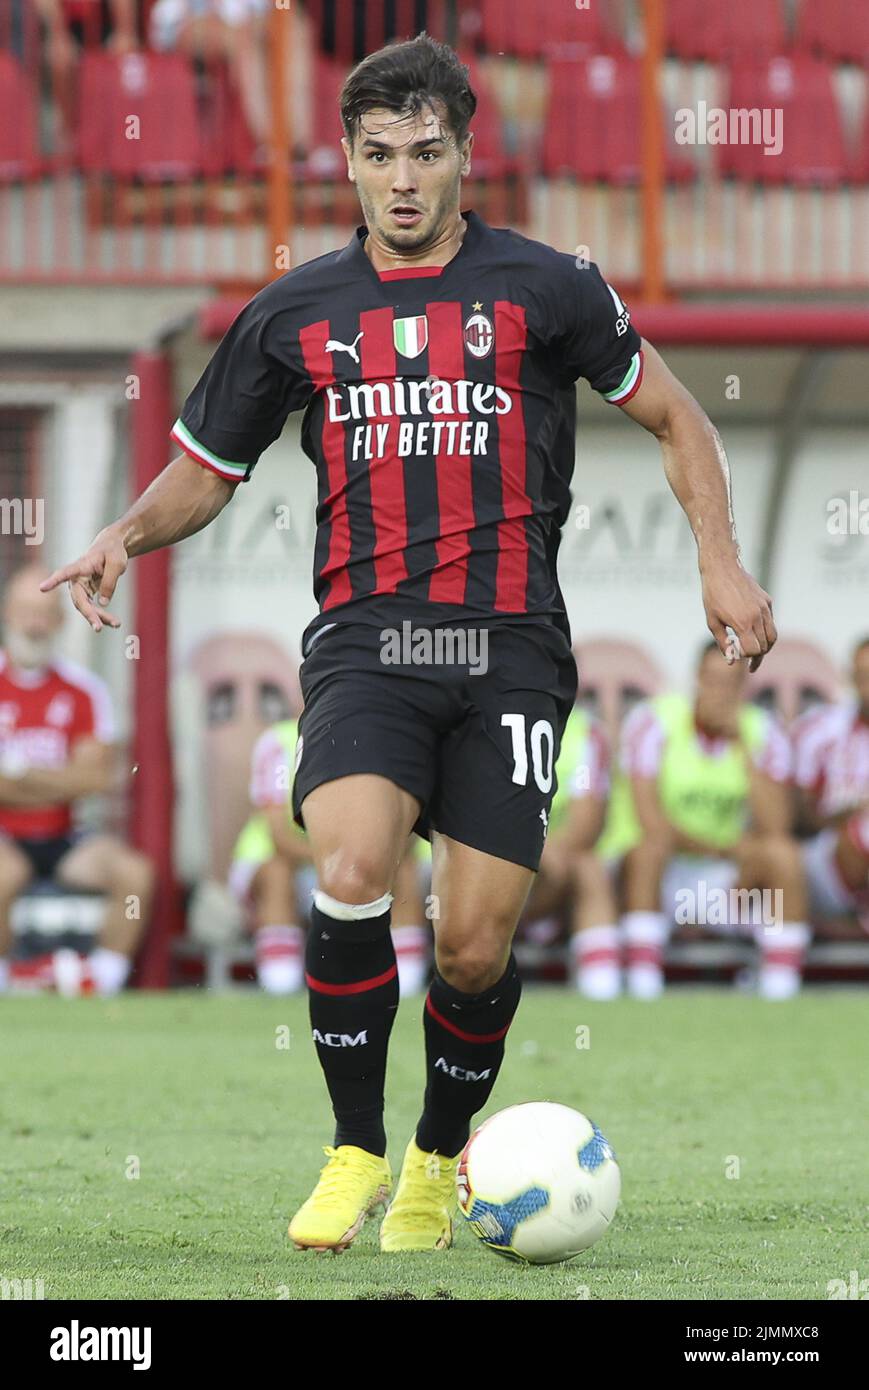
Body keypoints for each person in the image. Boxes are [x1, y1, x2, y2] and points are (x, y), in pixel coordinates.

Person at [41, 34, 776, 1253]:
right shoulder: (293, 311)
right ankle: (351, 1148)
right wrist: (126, 530)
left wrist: (717, 557)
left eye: (424, 153)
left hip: (512, 651)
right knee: (349, 861)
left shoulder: (548, 287)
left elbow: (674, 412)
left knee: (475, 943)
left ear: (464, 156)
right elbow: (206, 470)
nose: (400, 178)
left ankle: (438, 1158)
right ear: (345, 158)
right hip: (366, 642)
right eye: (378, 154)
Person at [618, 641, 806, 1000]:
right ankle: (644, 991)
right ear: (697, 679)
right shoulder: (654, 721)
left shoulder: (762, 730)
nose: (719, 693)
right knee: (647, 852)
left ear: (743, 688)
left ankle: (780, 994)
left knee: (784, 856)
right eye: (713, 681)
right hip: (667, 878)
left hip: (725, 885)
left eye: (730, 684)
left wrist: (741, 747)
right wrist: (724, 848)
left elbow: (778, 826)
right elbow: (652, 823)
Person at [0, 563, 153, 996]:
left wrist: (20, 779)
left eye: (44, 614)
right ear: (7, 614)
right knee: (2, 874)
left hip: (62, 832)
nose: (34, 624)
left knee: (134, 873)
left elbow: (95, 777)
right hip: (5, 836)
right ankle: (8, 981)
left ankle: (100, 983)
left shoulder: (84, 691)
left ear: (60, 622)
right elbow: (73, 777)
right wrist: (57, 781)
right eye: (25, 612)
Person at [229, 716, 429, 994]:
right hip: (293, 866)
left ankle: (405, 982)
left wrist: (359, 860)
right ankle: (280, 984)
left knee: (403, 869)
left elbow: (407, 831)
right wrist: (346, 860)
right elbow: (279, 837)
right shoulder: (278, 742)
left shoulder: (389, 732)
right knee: (277, 872)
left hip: (367, 866)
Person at [517, 704, 619, 997]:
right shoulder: (481, 721)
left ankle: (603, 996)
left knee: (588, 867)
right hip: (480, 863)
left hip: (554, 865)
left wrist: (543, 853)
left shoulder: (585, 732)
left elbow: (585, 826)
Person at [791, 636, 869, 931]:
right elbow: (798, 818)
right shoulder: (820, 730)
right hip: (824, 856)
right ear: (851, 678)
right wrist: (847, 814)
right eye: (864, 676)